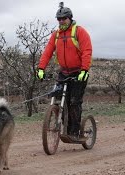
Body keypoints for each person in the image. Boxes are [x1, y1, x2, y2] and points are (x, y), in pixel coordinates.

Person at [36, 2, 92, 140]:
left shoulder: (79, 31)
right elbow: (47, 52)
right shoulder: (56, 35)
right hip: (64, 72)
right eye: (59, 19)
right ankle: (63, 129)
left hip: (79, 72)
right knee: (63, 101)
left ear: (70, 18)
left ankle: (75, 132)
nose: (61, 21)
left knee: (74, 102)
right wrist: (41, 68)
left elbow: (87, 51)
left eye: (64, 18)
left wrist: (84, 70)